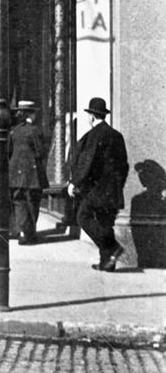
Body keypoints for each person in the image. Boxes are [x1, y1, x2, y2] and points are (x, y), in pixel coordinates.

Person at [67, 97, 128, 272]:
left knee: (83, 217)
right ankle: (107, 263)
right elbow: (124, 165)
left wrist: (74, 183)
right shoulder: (116, 135)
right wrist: (118, 185)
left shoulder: (94, 135)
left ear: (92, 116)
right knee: (105, 223)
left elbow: (87, 162)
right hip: (114, 190)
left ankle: (112, 247)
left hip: (97, 189)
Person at [8, 100, 49, 245]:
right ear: (32, 114)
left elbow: (9, 151)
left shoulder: (14, 131)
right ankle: (29, 233)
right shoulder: (35, 131)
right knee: (32, 203)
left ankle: (22, 231)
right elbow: (41, 152)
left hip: (15, 174)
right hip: (32, 175)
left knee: (19, 202)